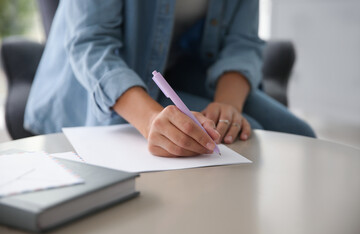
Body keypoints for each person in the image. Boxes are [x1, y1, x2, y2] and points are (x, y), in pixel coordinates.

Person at [24, 0, 316, 157]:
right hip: (103, 86)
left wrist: (228, 105)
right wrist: (151, 121)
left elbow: (243, 42)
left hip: (183, 67)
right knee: (240, 146)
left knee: (299, 137)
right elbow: (91, 44)